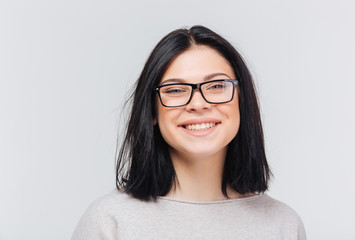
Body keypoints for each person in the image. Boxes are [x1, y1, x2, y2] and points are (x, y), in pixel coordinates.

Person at [72, 25, 306, 240]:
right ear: (152, 111)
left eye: (216, 86)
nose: (198, 104)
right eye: (175, 89)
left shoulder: (283, 225)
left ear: (241, 101)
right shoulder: (109, 222)